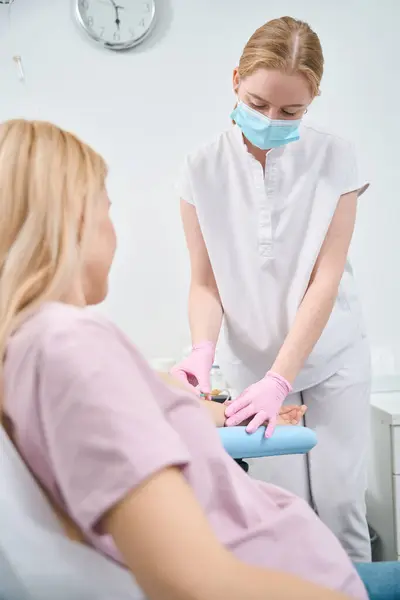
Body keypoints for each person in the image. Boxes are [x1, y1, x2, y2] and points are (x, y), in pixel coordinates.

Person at [0, 119, 368, 600]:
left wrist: (232, 407)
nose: (115, 230)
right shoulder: (72, 349)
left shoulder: (35, 344)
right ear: (72, 220)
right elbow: (193, 582)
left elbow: (150, 405)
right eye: (106, 208)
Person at [172, 16, 371, 562]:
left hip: (331, 359)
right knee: (280, 508)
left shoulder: (338, 159)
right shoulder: (201, 168)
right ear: (236, 79)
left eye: (291, 112)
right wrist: (201, 350)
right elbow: (204, 281)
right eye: (258, 103)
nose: (270, 119)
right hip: (250, 365)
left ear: (313, 101)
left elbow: (323, 281)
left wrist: (285, 376)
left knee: (341, 505)